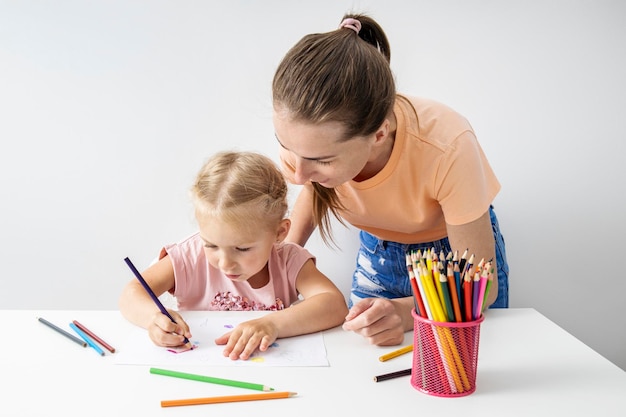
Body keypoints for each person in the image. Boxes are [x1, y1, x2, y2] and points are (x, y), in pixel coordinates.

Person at [271, 13, 509, 347]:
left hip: (452, 259)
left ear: (379, 134)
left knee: (467, 359)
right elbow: (315, 191)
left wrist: (403, 314)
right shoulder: (311, 152)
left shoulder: (448, 146)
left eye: (321, 160)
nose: (297, 175)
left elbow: (480, 289)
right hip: (378, 250)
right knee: (366, 351)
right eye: (286, 148)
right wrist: (282, 263)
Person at [118, 151, 348, 360]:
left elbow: (334, 304)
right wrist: (153, 319)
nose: (225, 262)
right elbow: (130, 294)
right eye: (211, 245)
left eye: (242, 248)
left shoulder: (288, 260)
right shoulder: (188, 256)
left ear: (279, 232)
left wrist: (272, 324)